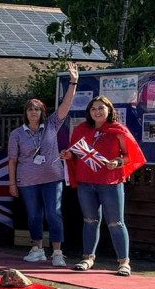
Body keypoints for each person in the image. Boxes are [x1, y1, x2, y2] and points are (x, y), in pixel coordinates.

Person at [61, 96, 145, 277]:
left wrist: (117, 161)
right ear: (89, 112)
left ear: (109, 110)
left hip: (110, 182)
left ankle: (124, 262)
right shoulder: (81, 129)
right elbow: (74, 154)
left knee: (116, 222)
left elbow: (129, 156)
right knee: (89, 220)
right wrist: (68, 155)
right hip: (86, 182)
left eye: (101, 108)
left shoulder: (118, 130)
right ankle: (88, 258)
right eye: (93, 109)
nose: (97, 112)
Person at [8, 63, 79, 267]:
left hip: (52, 177)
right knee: (34, 214)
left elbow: (66, 105)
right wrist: (12, 184)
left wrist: (73, 82)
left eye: (37, 109)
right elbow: (12, 160)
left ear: (42, 112)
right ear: (26, 112)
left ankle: (57, 252)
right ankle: (37, 248)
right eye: (30, 109)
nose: (33, 112)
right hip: (27, 180)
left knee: (53, 212)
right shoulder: (17, 134)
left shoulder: (52, 125)